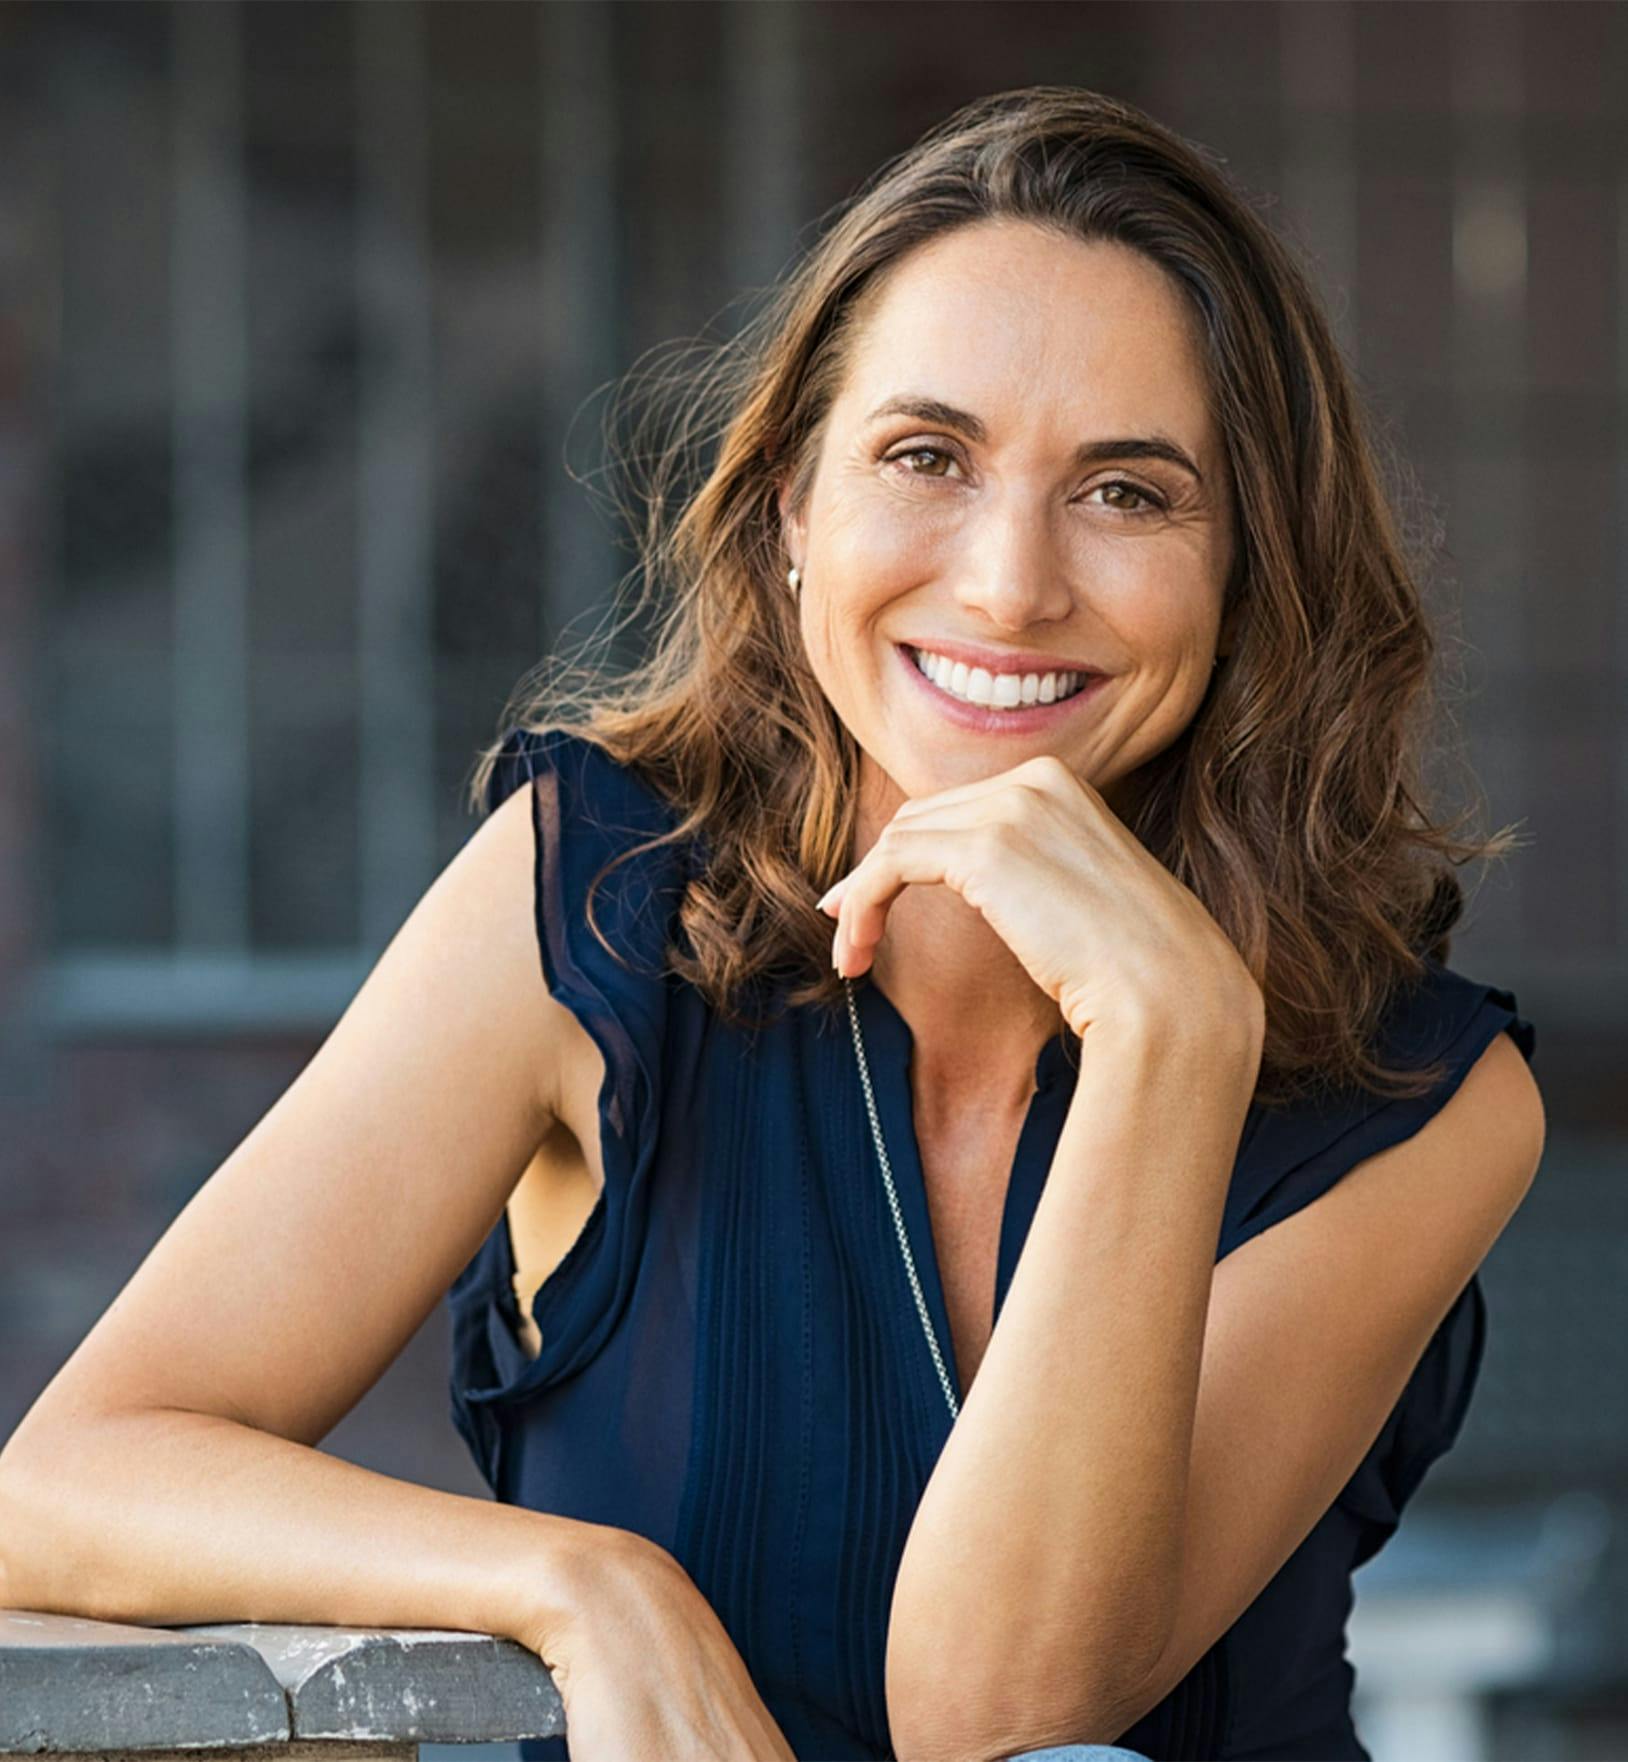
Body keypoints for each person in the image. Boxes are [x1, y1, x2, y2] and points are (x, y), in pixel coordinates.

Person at [0, 85, 1544, 1762]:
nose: (1013, 583)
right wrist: (579, 1584)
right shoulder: (588, 893)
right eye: (925, 457)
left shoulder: (1429, 1096)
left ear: (1247, 571)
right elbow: (72, 1473)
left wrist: (1174, 1040)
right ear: (794, 513)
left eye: (1128, 492)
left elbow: (994, 1713)